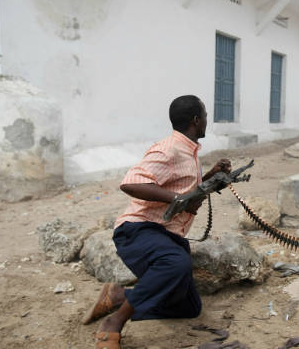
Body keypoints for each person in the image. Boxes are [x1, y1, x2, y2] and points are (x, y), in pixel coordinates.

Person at [82, 95, 232, 349]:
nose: (207, 119)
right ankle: (115, 322)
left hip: (166, 235)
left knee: (189, 306)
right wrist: (178, 199)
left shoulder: (189, 150)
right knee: (176, 263)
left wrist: (211, 176)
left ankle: (120, 296)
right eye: (205, 115)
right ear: (196, 120)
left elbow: (186, 190)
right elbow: (130, 182)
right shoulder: (169, 149)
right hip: (139, 230)